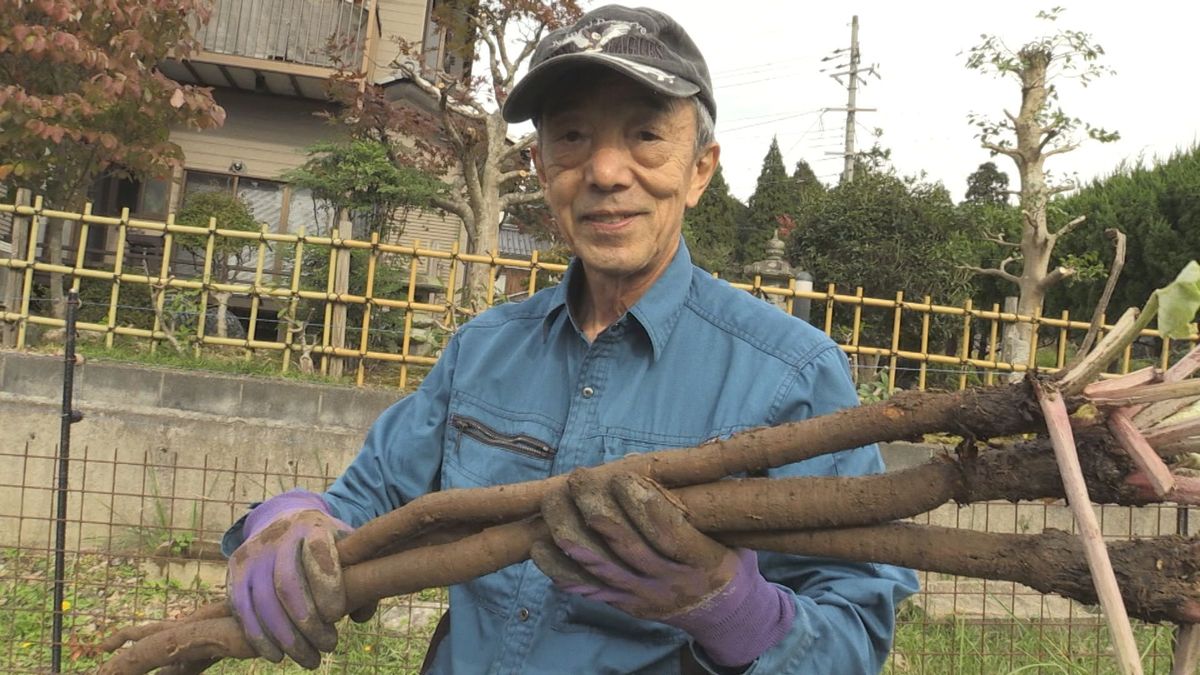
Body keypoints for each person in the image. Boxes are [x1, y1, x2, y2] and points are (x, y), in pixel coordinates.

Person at [221, 5, 919, 673]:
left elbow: (858, 626)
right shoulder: (483, 350)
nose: (607, 172)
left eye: (646, 135)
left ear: (699, 169)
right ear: (542, 167)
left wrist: (732, 608)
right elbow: (365, 501)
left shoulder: (790, 375)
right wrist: (291, 519)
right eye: (574, 137)